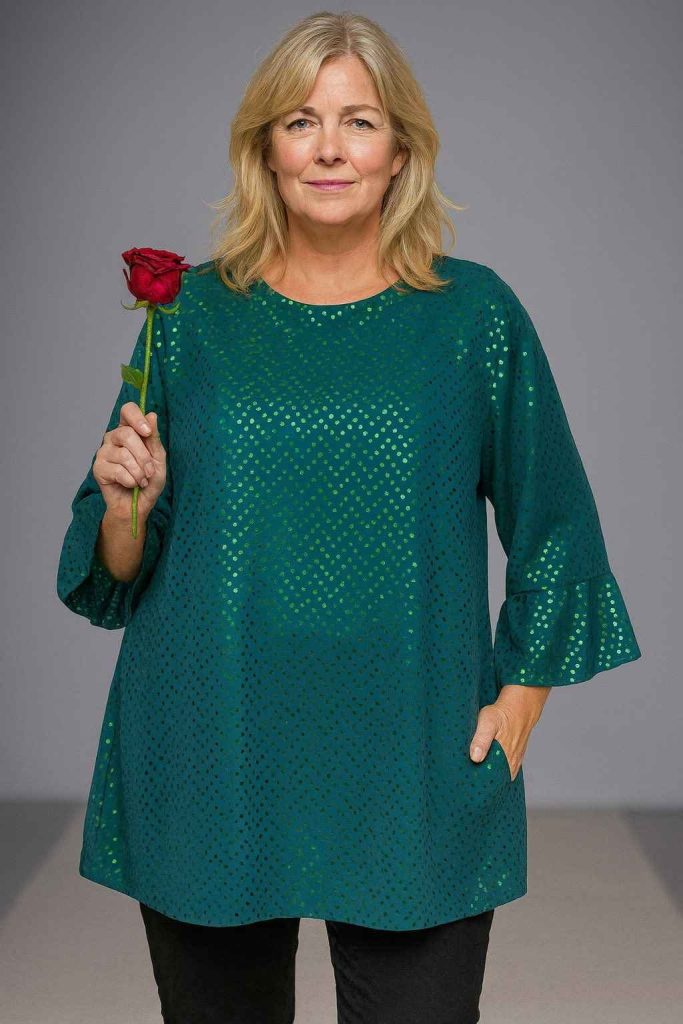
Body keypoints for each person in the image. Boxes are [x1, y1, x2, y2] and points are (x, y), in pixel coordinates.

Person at [56, 11, 642, 1024]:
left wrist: (519, 704)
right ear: (265, 150)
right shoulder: (187, 316)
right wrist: (123, 507)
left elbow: (553, 517)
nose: (328, 147)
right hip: (213, 738)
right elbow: (116, 563)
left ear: (399, 150)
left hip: (409, 747)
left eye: (358, 121)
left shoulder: (471, 317)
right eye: (300, 121)